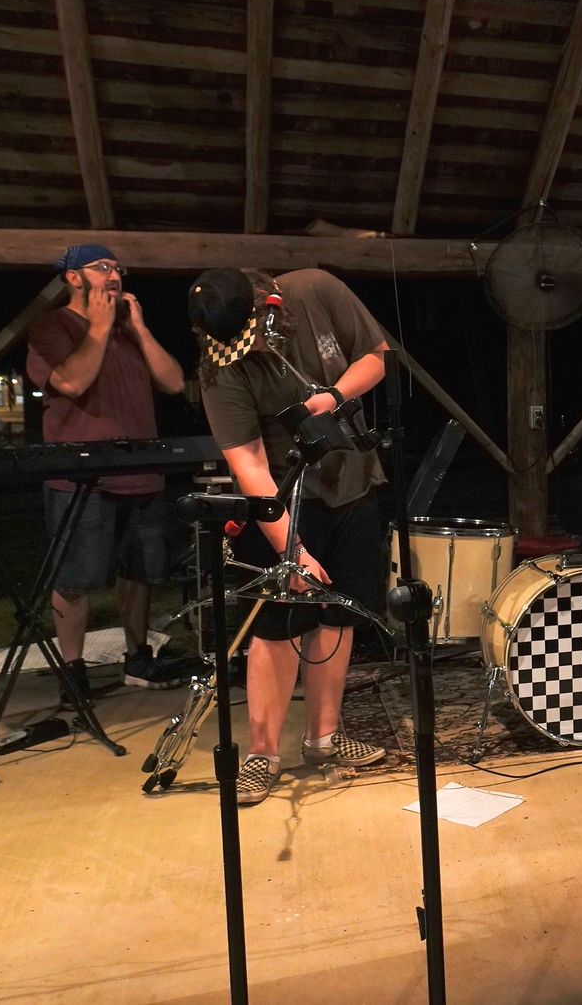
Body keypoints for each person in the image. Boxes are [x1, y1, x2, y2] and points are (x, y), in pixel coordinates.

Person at [188, 266, 391, 806]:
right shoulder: (218, 368)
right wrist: (292, 550)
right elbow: (249, 465)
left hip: (352, 482)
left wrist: (335, 396)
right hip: (282, 499)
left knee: (338, 612)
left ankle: (324, 738)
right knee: (276, 625)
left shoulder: (315, 289)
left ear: (267, 303)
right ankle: (262, 753)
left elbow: (376, 356)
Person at [26, 244, 189, 702]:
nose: (114, 275)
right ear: (73, 278)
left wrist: (139, 329)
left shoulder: (127, 330)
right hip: (80, 477)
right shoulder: (52, 326)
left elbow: (174, 381)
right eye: (101, 267)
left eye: (118, 268)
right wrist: (98, 328)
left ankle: (138, 658)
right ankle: (73, 670)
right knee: (75, 578)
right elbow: (71, 381)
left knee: (139, 572)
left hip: (141, 469)